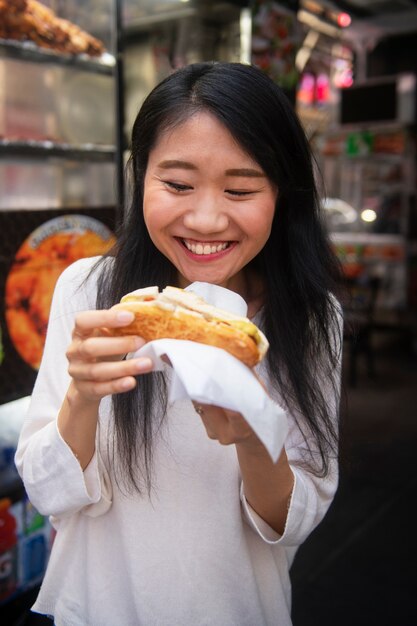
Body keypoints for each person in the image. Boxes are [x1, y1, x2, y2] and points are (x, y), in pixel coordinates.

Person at [15, 62, 343, 626]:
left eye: (240, 189)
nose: (207, 218)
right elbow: (48, 493)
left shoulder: (313, 320)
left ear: (283, 194)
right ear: (140, 178)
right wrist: (82, 397)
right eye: (177, 184)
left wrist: (251, 437)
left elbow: (294, 521)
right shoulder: (90, 290)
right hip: (92, 608)